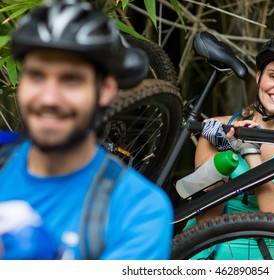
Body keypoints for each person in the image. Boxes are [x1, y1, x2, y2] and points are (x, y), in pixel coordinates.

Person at [0, 2, 173, 260]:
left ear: (105, 90)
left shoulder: (137, 210)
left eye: (71, 80)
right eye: (36, 75)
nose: (49, 98)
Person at [184, 33, 274, 259]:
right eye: (273, 76)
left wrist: (252, 153)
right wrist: (223, 154)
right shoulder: (218, 127)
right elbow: (205, 216)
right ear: (259, 77)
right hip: (201, 252)